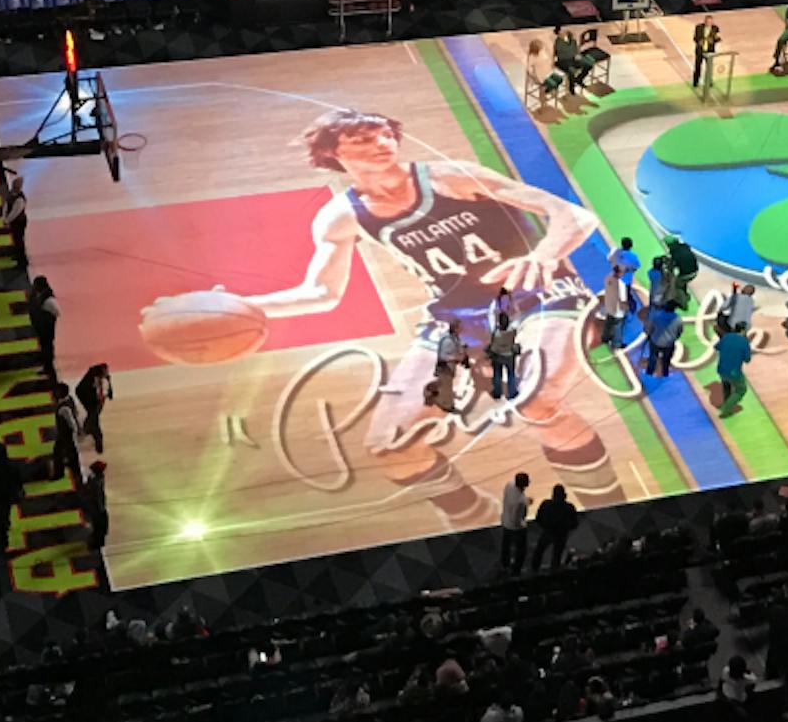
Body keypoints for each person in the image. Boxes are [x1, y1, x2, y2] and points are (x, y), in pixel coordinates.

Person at [197, 109, 623, 524]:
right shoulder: (341, 216)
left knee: (534, 397)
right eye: (363, 139)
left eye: (386, 134)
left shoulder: (448, 177)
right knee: (392, 445)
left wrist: (544, 256)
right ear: (333, 154)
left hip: (538, 295)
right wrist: (246, 305)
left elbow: (572, 214)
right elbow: (322, 292)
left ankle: (612, 516)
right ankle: (475, 521)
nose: (382, 143)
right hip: (457, 317)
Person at [530, 484, 579, 571]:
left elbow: (538, 519)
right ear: (564, 496)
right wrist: (565, 528)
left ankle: (534, 570)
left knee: (539, 551)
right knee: (556, 556)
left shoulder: (546, 504)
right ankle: (554, 571)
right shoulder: (569, 507)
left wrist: (546, 526)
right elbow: (574, 524)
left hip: (548, 532)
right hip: (561, 535)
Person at [715, 321, 753, 417]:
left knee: (726, 385)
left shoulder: (726, 337)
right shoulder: (744, 342)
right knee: (741, 390)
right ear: (743, 330)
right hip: (734, 371)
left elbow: (717, 347)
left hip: (721, 368)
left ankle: (726, 407)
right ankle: (726, 407)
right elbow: (747, 359)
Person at [499, 472, 530, 573]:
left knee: (505, 545)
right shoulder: (520, 501)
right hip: (514, 527)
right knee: (521, 549)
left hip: (505, 519)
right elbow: (516, 519)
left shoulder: (509, 485)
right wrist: (523, 525)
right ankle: (517, 569)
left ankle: (504, 564)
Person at [28, 276, 60, 373]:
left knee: (47, 346)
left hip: (46, 328)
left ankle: (48, 366)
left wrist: (47, 318)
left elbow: (57, 312)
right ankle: (45, 360)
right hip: (40, 327)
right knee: (44, 345)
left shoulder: (48, 300)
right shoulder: (37, 295)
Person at [486, 311, 520, 400]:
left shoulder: (496, 333)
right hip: (509, 355)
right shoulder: (512, 331)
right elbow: (517, 315)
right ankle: (512, 393)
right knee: (511, 374)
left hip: (498, 356)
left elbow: (490, 316)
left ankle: (497, 393)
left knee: (497, 374)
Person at [643, 302, 682, 376]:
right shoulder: (678, 319)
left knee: (652, 358)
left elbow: (649, 328)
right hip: (669, 344)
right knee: (666, 360)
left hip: (655, 341)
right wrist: (673, 338)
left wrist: (649, 335)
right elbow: (679, 332)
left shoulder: (657, 316)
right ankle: (665, 373)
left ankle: (649, 372)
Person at [81, 460, 109, 552]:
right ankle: (96, 544)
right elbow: (98, 496)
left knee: (99, 526)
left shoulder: (94, 478)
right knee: (100, 527)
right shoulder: (96, 481)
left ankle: (95, 542)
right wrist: (101, 509)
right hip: (97, 508)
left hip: (94, 506)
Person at [692, 17, 721, 90]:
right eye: (707, 21)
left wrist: (714, 40)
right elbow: (695, 38)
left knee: (709, 68)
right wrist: (699, 41)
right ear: (704, 21)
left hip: (709, 51)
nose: (709, 23)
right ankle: (695, 82)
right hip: (700, 51)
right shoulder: (698, 27)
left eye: (710, 22)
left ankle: (709, 81)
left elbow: (718, 38)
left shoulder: (715, 28)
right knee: (698, 67)